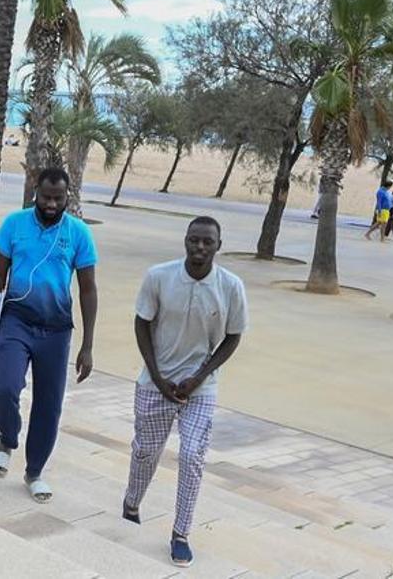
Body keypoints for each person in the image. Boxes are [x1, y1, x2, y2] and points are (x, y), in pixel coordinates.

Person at [121, 216, 248, 568]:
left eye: (207, 242)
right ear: (185, 241)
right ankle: (131, 504)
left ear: (218, 245)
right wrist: (159, 377)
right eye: (194, 240)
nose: (200, 248)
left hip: (200, 389)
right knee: (146, 451)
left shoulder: (231, 286)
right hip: (155, 383)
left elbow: (233, 336)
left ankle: (181, 534)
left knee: (192, 456)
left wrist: (200, 376)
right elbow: (142, 322)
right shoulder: (159, 277)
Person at [0, 167, 98, 503]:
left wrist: (87, 346)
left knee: (49, 405)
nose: (50, 204)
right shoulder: (14, 225)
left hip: (56, 330)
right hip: (16, 322)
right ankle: (7, 438)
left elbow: (89, 290)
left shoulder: (78, 233)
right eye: (45, 196)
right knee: (7, 387)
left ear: (67, 197)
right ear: (35, 191)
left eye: (57, 198)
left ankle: (34, 472)